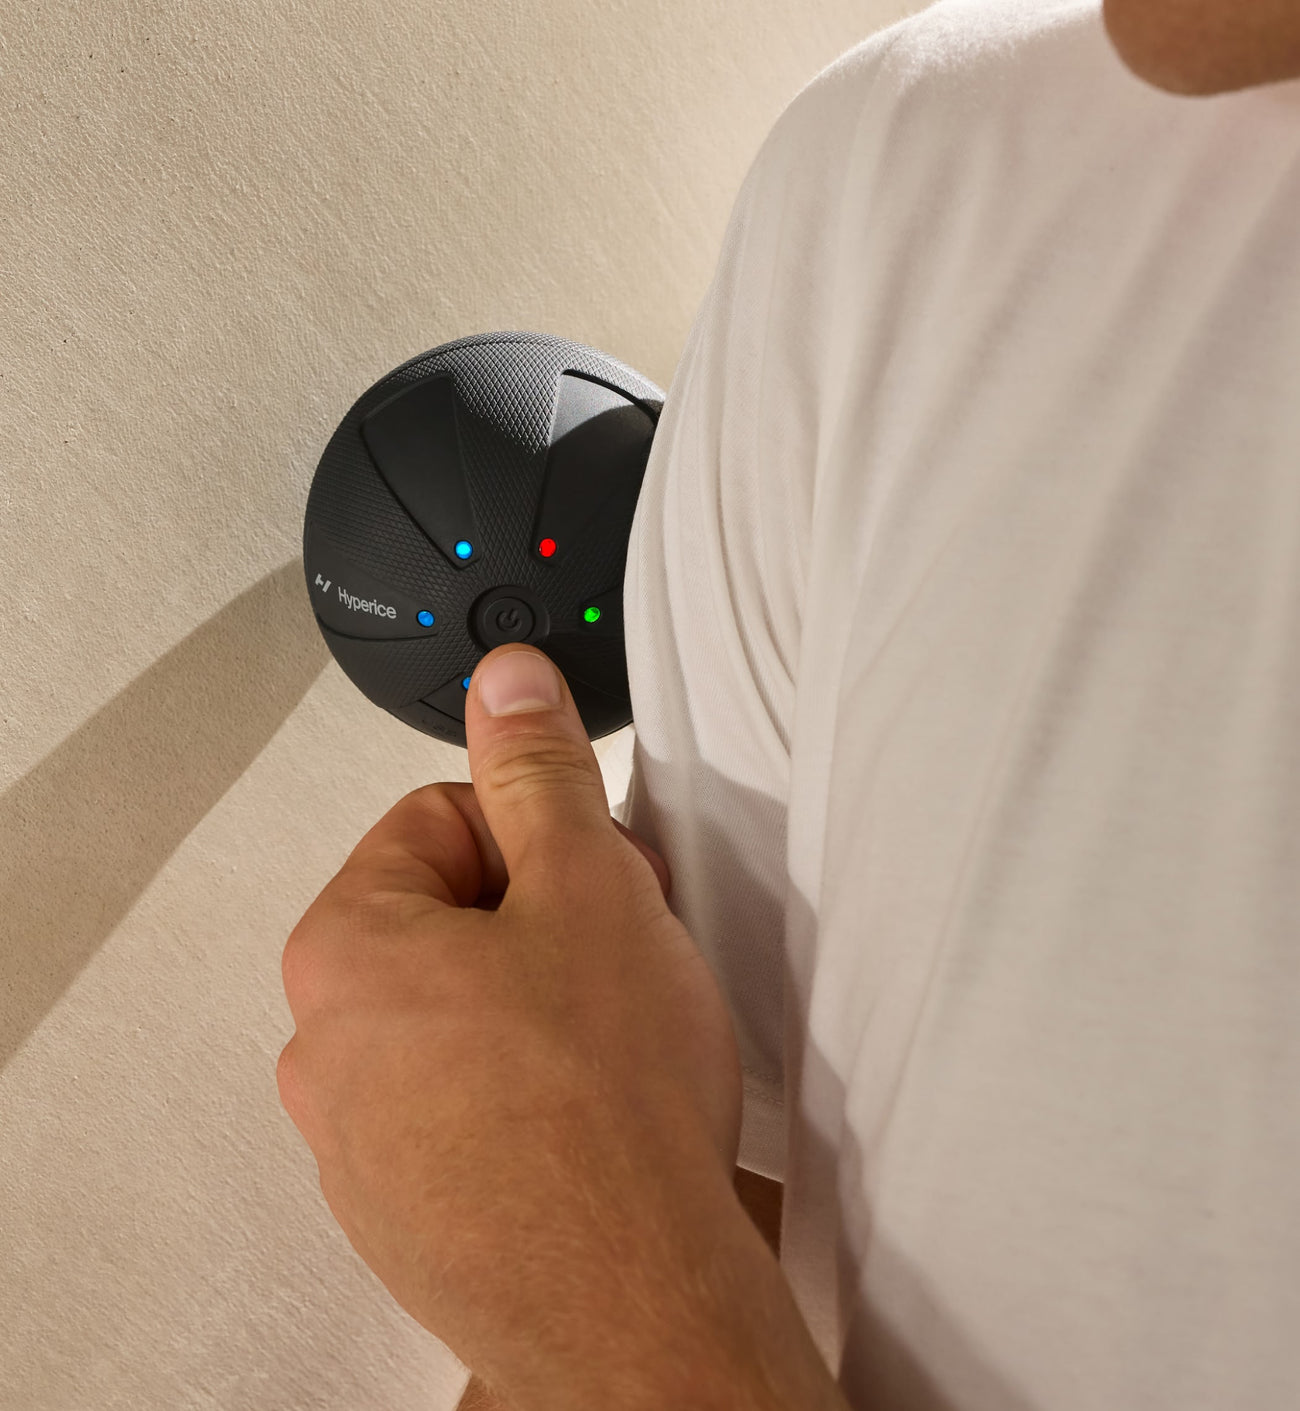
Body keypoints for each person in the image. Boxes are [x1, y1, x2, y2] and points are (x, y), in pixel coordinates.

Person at [607, 0, 1300, 1406]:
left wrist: (569, 1284)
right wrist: (586, 1263)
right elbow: (690, 1178)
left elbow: (604, 1255)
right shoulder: (906, 167)